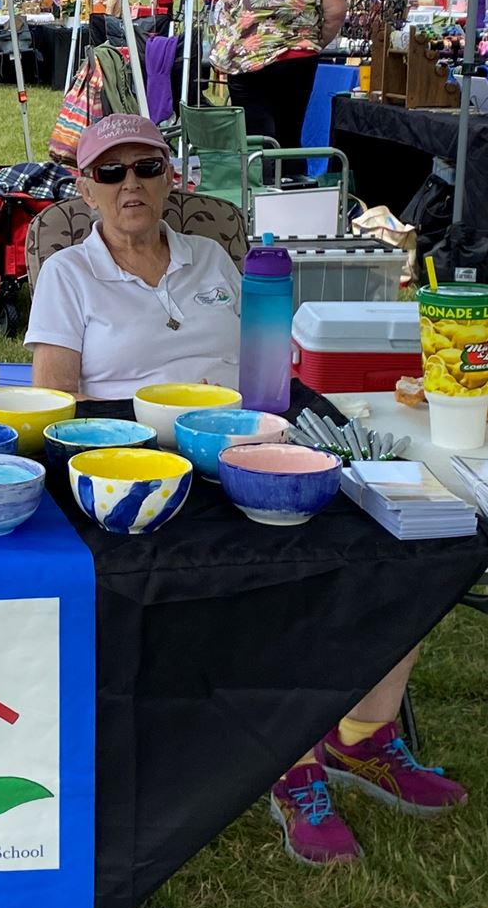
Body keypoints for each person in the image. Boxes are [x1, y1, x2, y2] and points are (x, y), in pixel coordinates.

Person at [27, 114, 464, 866]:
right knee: (258, 568)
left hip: (251, 445)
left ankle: (364, 733)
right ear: (84, 188)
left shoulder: (215, 260)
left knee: (405, 533)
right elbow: (53, 407)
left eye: (147, 168)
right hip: (141, 468)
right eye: (111, 173)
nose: (131, 185)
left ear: (171, 177)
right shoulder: (70, 274)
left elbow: (267, 367)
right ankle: (287, 763)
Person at [198, 0, 347, 150]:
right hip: (300, 59)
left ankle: (260, 185)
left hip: (251, 61)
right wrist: (313, 42)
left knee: (258, 138)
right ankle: (292, 183)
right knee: (290, 134)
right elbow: (337, 10)